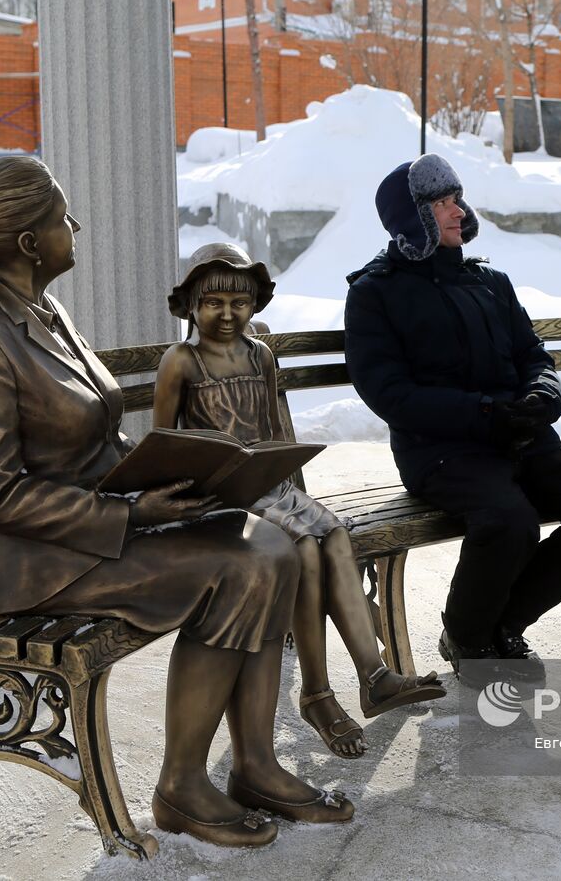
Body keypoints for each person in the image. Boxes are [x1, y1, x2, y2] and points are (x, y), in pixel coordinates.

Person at [0, 157, 353, 850]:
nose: (75, 226)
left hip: (97, 524)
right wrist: (132, 513)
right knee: (241, 567)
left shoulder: (46, 311)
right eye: (62, 217)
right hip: (31, 561)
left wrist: (183, 481)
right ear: (31, 243)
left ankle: (255, 764)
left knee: (272, 544)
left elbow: (91, 437)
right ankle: (182, 786)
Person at [344, 153, 561, 687]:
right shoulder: (375, 293)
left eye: (457, 199)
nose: (459, 211)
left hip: (521, 438)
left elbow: (533, 355)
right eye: (443, 202)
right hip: (441, 451)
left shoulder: (490, 281)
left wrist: (542, 395)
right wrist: (482, 412)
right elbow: (389, 394)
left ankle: (499, 622)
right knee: (509, 521)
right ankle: (470, 638)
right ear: (414, 217)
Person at [153, 243, 445, 759]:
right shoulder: (181, 362)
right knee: (303, 550)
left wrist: (291, 483)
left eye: (239, 303)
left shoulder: (260, 355)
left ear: (255, 306)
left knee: (332, 534)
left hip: (271, 487)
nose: (227, 314)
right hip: (222, 499)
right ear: (191, 304)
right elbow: (166, 446)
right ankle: (317, 695)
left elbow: (278, 432)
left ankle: (374, 675)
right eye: (213, 303)